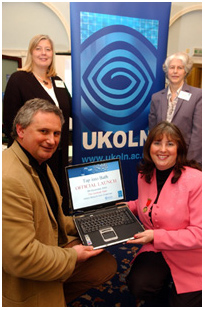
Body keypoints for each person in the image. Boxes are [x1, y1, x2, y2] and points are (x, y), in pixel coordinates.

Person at [2, 98, 117, 307]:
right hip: (21, 276)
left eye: (56, 133)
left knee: (105, 264)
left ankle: (57, 294)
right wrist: (72, 256)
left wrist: (94, 221)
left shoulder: (38, 163)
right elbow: (21, 258)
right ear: (20, 130)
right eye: (44, 131)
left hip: (48, 245)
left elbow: (55, 218)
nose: (52, 140)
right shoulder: (9, 179)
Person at [124, 121, 202, 307]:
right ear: (149, 147)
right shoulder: (144, 175)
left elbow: (200, 234)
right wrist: (127, 207)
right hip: (157, 249)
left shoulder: (197, 180)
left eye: (170, 144)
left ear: (179, 149)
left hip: (190, 255)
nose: (163, 149)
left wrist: (155, 235)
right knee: (139, 285)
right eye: (157, 142)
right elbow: (149, 204)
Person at [3, 34, 72, 214]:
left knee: (58, 201)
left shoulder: (58, 82)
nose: (44, 53)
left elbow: (71, 111)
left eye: (48, 49)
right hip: (33, 155)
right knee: (38, 204)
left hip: (58, 153)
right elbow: (10, 120)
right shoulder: (19, 79)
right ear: (31, 52)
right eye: (38, 48)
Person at [149, 52, 202, 164]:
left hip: (185, 158)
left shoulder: (198, 96)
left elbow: (199, 133)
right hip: (162, 158)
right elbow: (153, 132)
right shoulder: (156, 98)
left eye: (180, 68)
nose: (175, 71)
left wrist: (190, 162)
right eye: (172, 67)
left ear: (186, 71)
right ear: (167, 71)